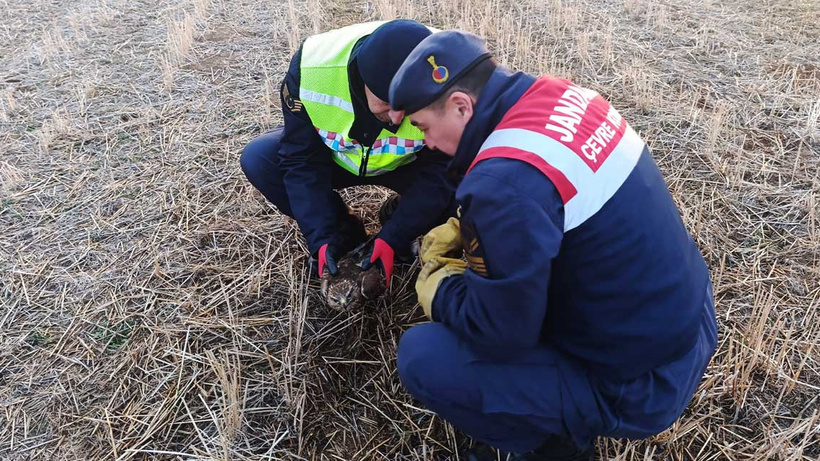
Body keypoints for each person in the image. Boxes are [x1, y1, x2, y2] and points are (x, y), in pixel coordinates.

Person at [388, 31, 718, 460]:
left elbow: (500, 337)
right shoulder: (564, 97)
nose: (427, 143)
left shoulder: (503, 188)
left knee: (423, 356)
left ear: (461, 105)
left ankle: (552, 450)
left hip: (639, 384)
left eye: (424, 127)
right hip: (689, 326)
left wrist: (442, 288)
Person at [240, 20, 455, 284]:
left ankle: (396, 213)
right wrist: (321, 235)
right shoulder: (313, 68)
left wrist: (396, 234)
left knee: (470, 186)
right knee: (260, 159)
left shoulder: (447, 74)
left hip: (409, 164)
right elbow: (301, 160)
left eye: (411, 105)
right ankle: (345, 232)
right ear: (362, 79)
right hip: (337, 158)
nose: (397, 119)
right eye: (388, 103)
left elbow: (442, 170)